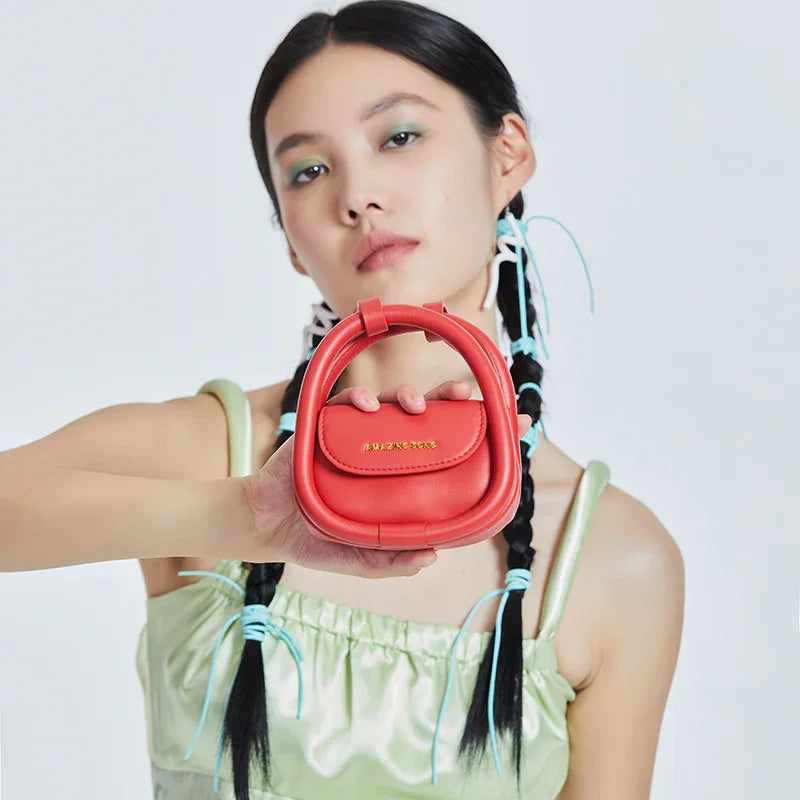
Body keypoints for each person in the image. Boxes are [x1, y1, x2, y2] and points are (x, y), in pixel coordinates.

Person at [0, 2, 685, 798]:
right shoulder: (213, 453)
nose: (357, 196)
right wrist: (237, 519)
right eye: (309, 170)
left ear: (510, 154)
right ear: (290, 238)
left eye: (399, 136)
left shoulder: (611, 555)